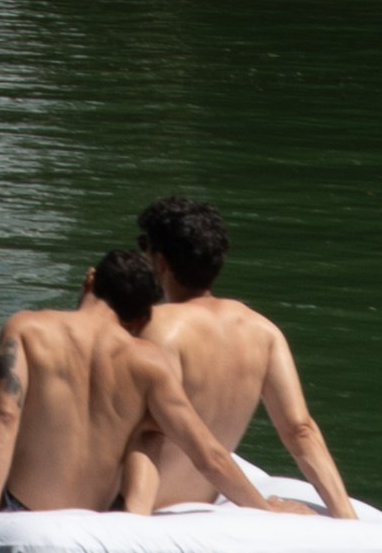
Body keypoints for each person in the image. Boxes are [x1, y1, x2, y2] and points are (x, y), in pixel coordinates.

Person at [0, 249, 276, 517]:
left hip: (16, 504)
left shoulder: (28, 328)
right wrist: (263, 510)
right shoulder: (150, 361)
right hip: (98, 508)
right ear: (140, 315)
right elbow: (210, 454)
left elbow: (5, 419)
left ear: (90, 279)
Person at [119, 194, 357, 520]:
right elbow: (300, 430)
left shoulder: (157, 327)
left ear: (160, 262)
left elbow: (132, 430)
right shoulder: (264, 331)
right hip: (204, 499)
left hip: (141, 506)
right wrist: (346, 518)